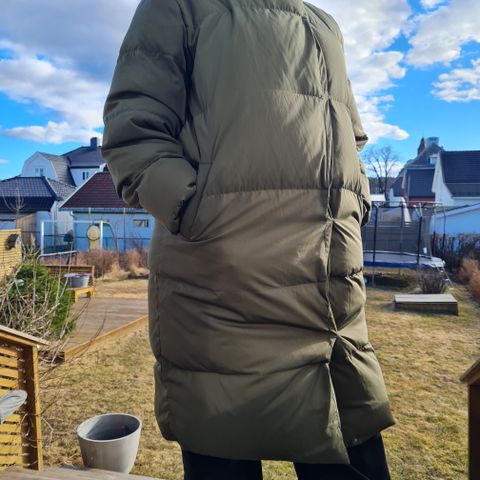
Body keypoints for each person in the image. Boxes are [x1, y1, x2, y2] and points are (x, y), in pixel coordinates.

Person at [102, 0, 396, 478]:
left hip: (329, 306)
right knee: (223, 454)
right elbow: (133, 130)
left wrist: (353, 202)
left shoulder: (325, 25)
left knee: (355, 456)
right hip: (219, 297)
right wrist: (197, 210)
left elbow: (350, 136)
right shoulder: (179, 6)